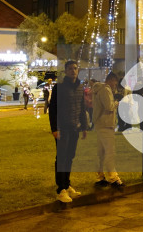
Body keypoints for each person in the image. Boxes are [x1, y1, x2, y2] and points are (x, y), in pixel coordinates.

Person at [48, 60, 88, 203]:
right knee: (61, 158)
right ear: (65, 71)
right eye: (70, 69)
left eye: (75, 68)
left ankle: (67, 184)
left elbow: (82, 107)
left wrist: (84, 126)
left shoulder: (80, 87)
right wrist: (54, 129)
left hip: (74, 128)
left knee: (70, 157)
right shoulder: (59, 88)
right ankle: (61, 190)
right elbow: (52, 110)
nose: (73, 71)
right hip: (62, 129)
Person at [92, 72, 124, 189]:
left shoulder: (98, 89)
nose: (115, 84)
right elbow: (109, 106)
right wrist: (117, 103)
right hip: (106, 124)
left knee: (101, 152)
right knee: (110, 151)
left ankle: (100, 176)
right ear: (110, 80)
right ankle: (113, 177)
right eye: (115, 81)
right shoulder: (105, 89)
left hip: (100, 123)